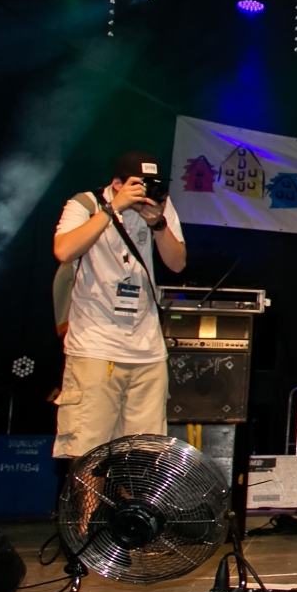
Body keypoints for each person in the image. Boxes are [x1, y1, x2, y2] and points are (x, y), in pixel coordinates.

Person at [51, 151, 187, 465]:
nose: (146, 191)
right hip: (95, 345)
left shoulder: (160, 206)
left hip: (147, 348)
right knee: (89, 452)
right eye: (139, 184)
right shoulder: (85, 204)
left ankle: (130, 500)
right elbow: (64, 251)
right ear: (116, 183)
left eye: (152, 184)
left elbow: (178, 263)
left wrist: (158, 224)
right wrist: (112, 209)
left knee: (143, 455)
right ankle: (87, 501)